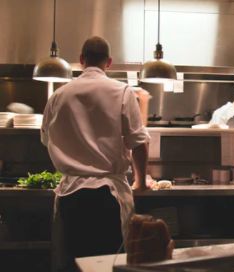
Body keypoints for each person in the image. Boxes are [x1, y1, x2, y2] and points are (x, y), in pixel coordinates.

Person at [41, 36, 150, 272]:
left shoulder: (58, 95)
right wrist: (140, 181)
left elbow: (46, 139)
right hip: (107, 197)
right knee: (108, 266)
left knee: (75, 264)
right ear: (109, 62)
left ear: (81, 60)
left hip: (71, 196)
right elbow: (139, 142)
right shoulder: (122, 91)